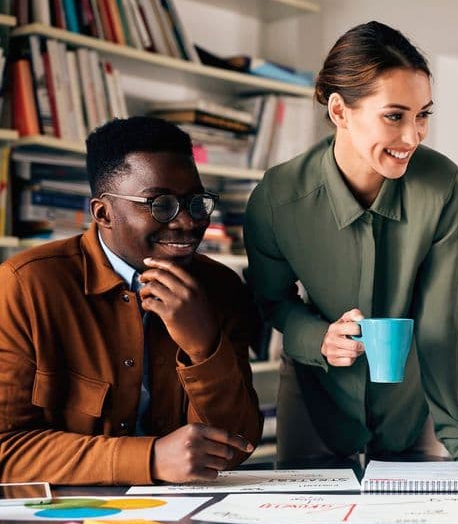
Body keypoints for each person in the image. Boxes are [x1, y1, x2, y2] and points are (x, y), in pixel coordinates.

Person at [244, 21, 458, 462]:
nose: (413, 137)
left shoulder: (442, 184)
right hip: (316, 394)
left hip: (413, 402)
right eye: (395, 116)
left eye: (423, 115)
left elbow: (439, 317)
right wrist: (318, 339)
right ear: (339, 111)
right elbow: (270, 300)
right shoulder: (278, 196)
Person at [0, 116, 263, 485]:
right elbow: (5, 450)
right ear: (103, 213)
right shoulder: (26, 286)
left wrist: (203, 347)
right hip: (68, 517)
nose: (187, 222)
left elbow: (237, 446)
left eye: (196, 203)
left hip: (186, 516)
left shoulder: (221, 287)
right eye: (160, 204)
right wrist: (149, 459)